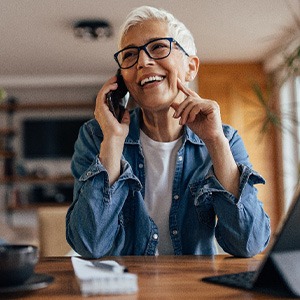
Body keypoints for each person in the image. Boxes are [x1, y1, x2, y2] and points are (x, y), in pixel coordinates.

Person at [66, 5, 271, 258]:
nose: (143, 61)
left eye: (159, 47)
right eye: (130, 55)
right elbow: (89, 244)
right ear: (122, 79)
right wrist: (113, 141)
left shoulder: (225, 138)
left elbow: (248, 244)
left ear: (191, 67)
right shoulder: (96, 137)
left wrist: (215, 141)